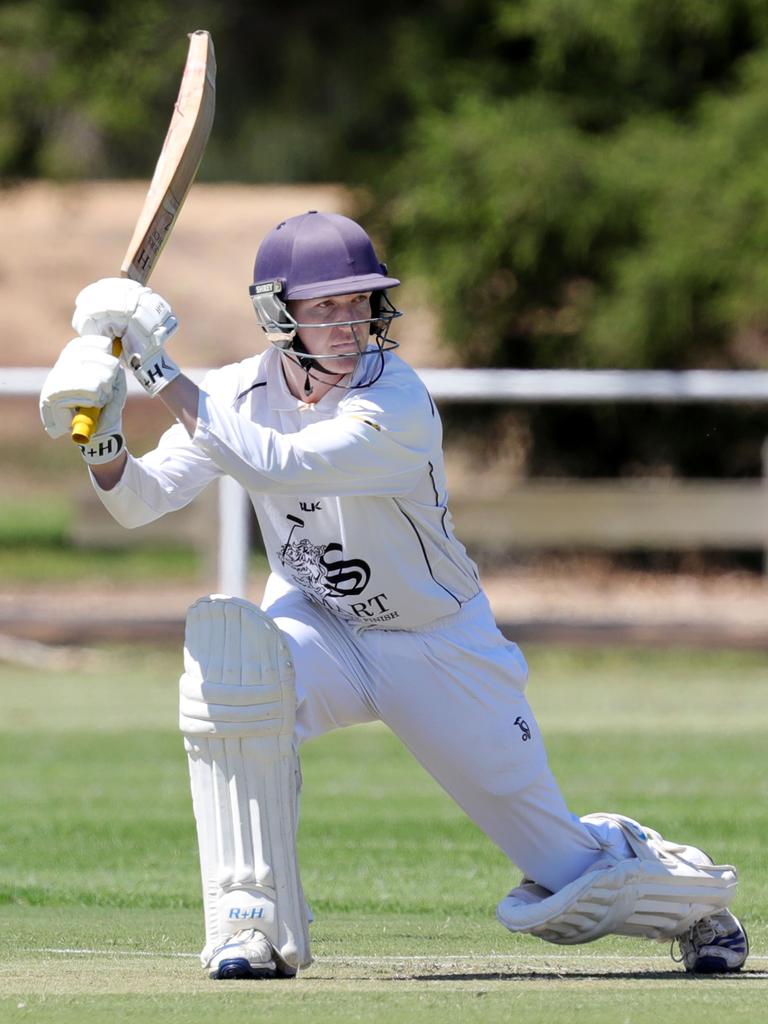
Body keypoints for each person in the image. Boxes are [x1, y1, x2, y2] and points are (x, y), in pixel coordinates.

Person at [40, 211, 748, 979]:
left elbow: (283, 466)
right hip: (320, 625)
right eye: (326, 307)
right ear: (281, 313)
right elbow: (139, 500)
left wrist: (154, 370)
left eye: (359, 303)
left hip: (435, 640)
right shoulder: (237, 393)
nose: (348, 324)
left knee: (566, 876)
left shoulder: (398, 401)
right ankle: (250, 920)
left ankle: (689, 896)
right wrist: (103, 434)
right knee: (233, 681)